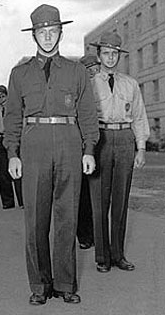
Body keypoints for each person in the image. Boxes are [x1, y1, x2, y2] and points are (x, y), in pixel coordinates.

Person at [4, 4, 99, 306]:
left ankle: (65, 283)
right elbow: (12, 116)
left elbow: (87, 113)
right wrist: (12, 153)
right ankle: (39, 285)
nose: (47, 37)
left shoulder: (76, 71)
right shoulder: (19, 74)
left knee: (67, 217)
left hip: (70, 143)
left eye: (53, 30)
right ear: (34, 35)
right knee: (35, 219)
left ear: (61, 32)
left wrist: (89, 149)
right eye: (41, 32)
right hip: (33, 146)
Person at [88, 31, 150, 273]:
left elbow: (139, 116)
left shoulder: (130, 83)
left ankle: (118, 254)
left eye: (114, 54)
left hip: (125, 138)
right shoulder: (90, 82)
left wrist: (141, 147)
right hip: (100, 137)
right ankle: (102, 257)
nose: (111, 58)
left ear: (119, 56)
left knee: (121, 199)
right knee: (99, 200)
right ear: (99, 55)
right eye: (106, 53)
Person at [76, 54, 100, 250]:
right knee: (83, 192)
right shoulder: (79, 89)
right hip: (84, 142)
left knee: (100, 192)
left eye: (95, 67)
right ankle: (84, 235)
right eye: (89, 68)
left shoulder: (106, 85)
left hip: (103, 140)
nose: (93, 71)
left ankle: (99, 235)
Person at [0, 85, 23, 209]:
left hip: (13, 139)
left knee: (17, 169)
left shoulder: (15, 109)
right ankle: (7, 202)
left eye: (2, 96)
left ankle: (22, 200)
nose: (0, 99)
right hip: (0, 139)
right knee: (3, 172)